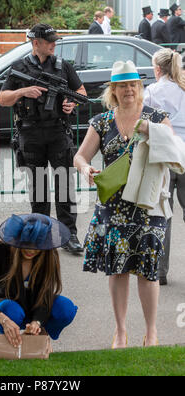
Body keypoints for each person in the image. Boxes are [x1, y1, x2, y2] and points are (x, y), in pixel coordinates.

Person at [74, 60, 175, 349]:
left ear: (139, 88)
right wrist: (85, 169)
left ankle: (151, 332)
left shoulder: (157, 117)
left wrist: (152, 132)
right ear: (114, 90)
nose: (129, 90)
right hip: (113, 207)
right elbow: (80, 156)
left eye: (133, 84)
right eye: (122, 86)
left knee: (147, 269)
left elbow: (174, 151)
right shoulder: (102, 122)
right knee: (117, 270)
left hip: (148, 205)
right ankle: (120, 332)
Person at [0, 23, 87, 255]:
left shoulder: (63, 66)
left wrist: (71, 103)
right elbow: (3, 99)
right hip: (30, 134)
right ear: (35, 43)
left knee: (65, 186)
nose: (54, 44)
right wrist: (22, 92)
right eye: (49, 41)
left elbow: (82, 92)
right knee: (38, 188)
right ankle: (41, 235)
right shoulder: (19, 67)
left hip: (58, 133)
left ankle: (69, 235)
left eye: (55, 40)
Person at [0, 213, 78, 348]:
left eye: (37, 246)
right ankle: (9, 338)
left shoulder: (49, 255)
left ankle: (40, 334)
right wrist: (5, 321)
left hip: (36, 306)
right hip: (8, 307)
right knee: (11, 310)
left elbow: (45, 296)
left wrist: (37, 322)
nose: (31, 250)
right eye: (26, 245)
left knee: (66, 308)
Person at [144, 48, 185, 286]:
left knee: (163, 215)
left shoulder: (152, 91)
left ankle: (160, 272)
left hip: (164, 155)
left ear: (157, 69)